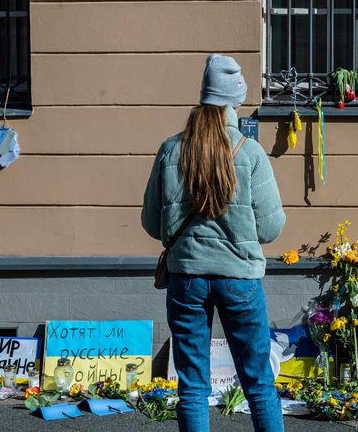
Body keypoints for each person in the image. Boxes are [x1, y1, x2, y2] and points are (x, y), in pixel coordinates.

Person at [141, 54, 286, 432]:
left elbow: (151, 223)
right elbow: (271, 230)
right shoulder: (250, 153)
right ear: (235, 101)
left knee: (192, 385)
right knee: (258, 383)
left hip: (186, 278)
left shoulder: (171, 150)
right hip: (240, 279)